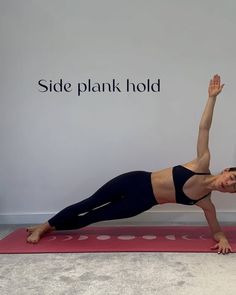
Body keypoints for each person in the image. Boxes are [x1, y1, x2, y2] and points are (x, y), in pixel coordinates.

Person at [26, 74, 236, 254]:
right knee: (88, 203)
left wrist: (223, 239)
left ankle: (51, 228)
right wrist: (211, 99)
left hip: (140, 203)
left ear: (230, 193)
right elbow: (204, 129)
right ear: (226, 170)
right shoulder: (201, 163)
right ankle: (43, 226)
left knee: (93, 217)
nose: (229, 184)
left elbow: (216, 230)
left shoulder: (205, 202)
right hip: (135, 181)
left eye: (234, 188)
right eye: (233, 178)